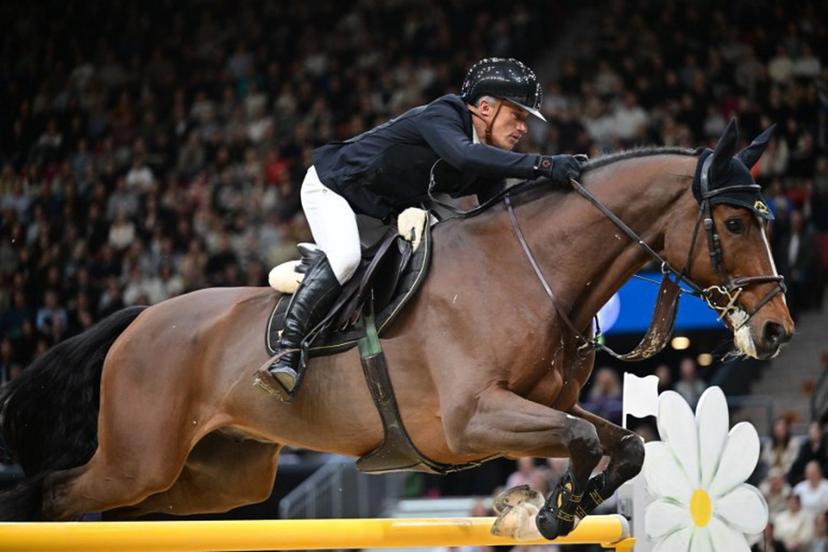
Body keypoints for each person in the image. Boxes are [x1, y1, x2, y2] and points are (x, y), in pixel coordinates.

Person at [259, 58, 585, 393]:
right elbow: (464, 157)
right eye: (518, 115)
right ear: (485, 107)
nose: (524, 128)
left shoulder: (487, 156)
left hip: (380, 211)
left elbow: (494, 222)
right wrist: (545, 164)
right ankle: (288, 350)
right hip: (335, 189)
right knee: (345, 259)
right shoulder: (444, 114)